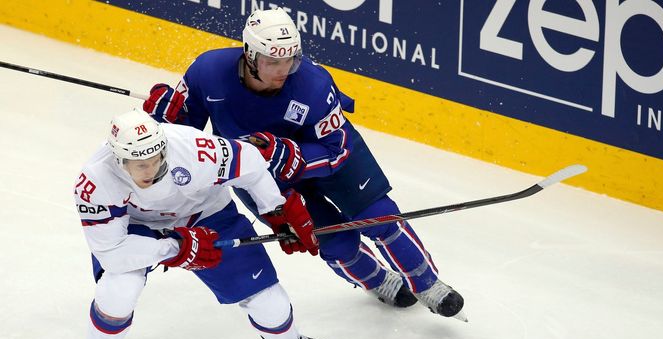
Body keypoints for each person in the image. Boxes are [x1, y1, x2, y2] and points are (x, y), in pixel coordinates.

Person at [143, 7, 466, 321]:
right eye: (273, 61)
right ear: (250, 55)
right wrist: (165, 123)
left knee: (379, 217)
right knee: (332, 240)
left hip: (326, 156)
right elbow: (188, 139)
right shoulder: (207, 71)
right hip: (263, 178)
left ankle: (428, 285)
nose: (283, 70)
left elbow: (337, 149)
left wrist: (293, 155)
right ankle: (378, 281)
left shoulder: (313, 84)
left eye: (291, 60)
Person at [74, 109, 338, 339]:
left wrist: (275, 208)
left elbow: (250, 162)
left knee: (270, 303)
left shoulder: (193, 149)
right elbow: (114, 253)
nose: (151, 169)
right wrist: (175, 248)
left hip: (207, 214)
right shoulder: (95, 180)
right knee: (118, 290)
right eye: (140, 164)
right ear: (119, 160)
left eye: (157, 158)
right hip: (137, 225)